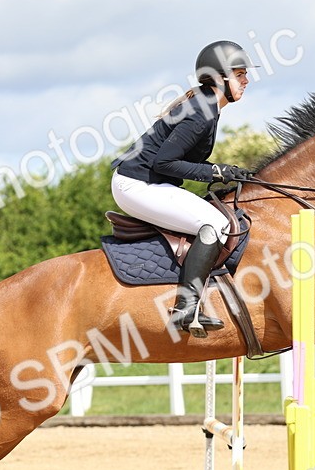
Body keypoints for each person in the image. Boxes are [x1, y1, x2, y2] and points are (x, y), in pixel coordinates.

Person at [110, 40, 257, 337]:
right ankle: (185, 308)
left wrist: (224, 171)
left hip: (148, 182)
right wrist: (217, 172)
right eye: (239, 74)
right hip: (137, 184)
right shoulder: (201, 111)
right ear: (219, 78)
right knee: (215, 222)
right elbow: (165, 162)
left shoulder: (207, 106)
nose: (246, 80)